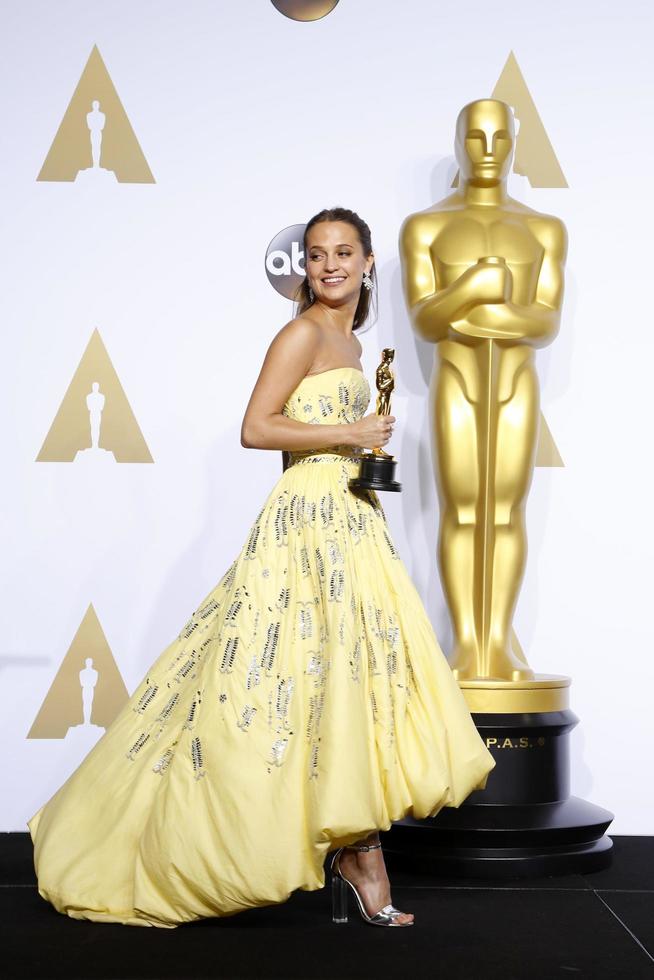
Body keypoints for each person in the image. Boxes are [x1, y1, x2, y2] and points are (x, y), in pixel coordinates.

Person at [28, 206, 496, 929]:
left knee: (346, 684)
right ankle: (347, 853)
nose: (330, 264)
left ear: (370, 261)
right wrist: (349, 431)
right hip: (305, 523)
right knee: (271, 681)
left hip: (349, 521)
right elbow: (257, 427)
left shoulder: (355, 340)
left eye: (344, 252)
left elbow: (322, 438)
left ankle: (354, 842)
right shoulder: (304, 331)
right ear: (302, 268)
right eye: (316, 255)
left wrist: (365, 456)